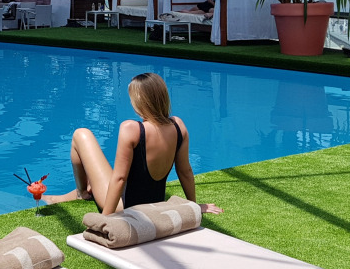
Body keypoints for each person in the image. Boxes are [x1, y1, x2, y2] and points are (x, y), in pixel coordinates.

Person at [43, 73, 222, 215]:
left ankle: (82, 193)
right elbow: (185, 171)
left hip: (124, 206)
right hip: (155, 203)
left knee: (81, 134)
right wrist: (193, 206)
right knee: (106, 174)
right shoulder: (178, 126)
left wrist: (105, 219)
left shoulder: (131, 129)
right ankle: (78, 192)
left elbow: (120, 179)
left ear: (139, 102)